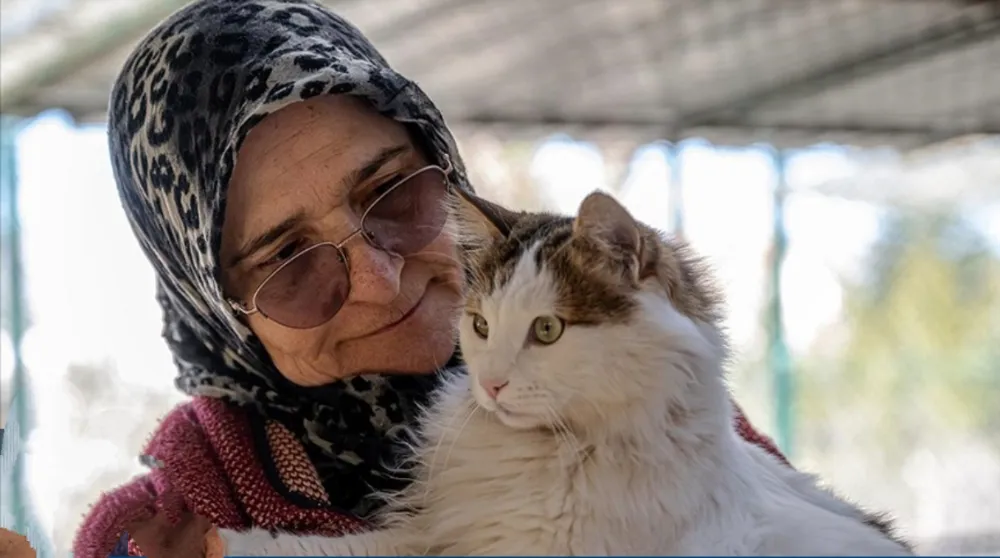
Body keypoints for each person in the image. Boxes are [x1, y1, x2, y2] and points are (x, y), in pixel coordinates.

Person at [72, 1, 789, 557]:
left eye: (393, 197)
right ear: (219, 314)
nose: (380, 281)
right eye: (290, 262)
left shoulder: (665, 414)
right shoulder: (155, 534)